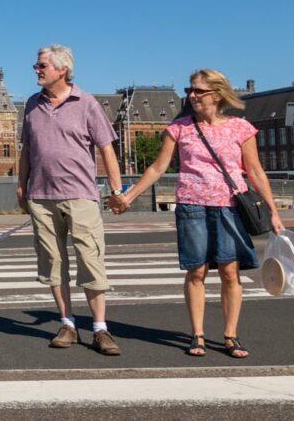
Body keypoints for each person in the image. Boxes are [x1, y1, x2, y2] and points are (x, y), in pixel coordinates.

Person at [109, 69, 286, 358]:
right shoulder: (179, 128)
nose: (191, 95)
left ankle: (231, 335)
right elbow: (157, 168)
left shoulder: (241, 128)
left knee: (230, 272)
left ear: (216, 95)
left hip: (231, 206)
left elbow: (255, 171)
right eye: (189, 90)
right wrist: (128, 196)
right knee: (197, 270)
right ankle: (198, 335)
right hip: (192, 205)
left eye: (198, 91)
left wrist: (273, 210)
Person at [17, 44, 124, 356]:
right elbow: (26, 151)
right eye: (36, 65)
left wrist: (116, 191)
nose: (36, 70)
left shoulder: (86, 103)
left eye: (41, 66)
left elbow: (106, 149)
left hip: (80, 195)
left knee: (91, 260)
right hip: (41, 196)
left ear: (61, 70)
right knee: (52, 262)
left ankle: (100, 328)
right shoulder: (32, 105)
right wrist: (21, 187)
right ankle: (67, 323)